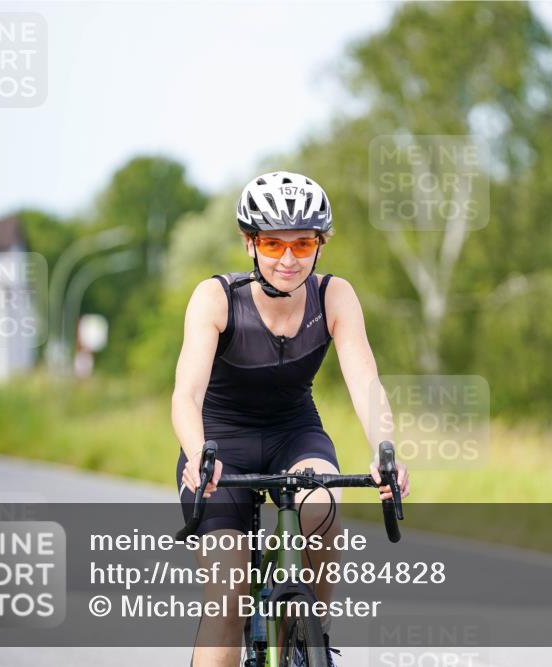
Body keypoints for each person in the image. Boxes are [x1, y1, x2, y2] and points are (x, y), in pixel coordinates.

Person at [171, 171, 410, 666]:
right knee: (228, 600)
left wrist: (385, 452)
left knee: (321, 505)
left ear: (319, 245)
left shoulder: (334, 296)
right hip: (219, 445)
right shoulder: (216, 298)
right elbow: (186, 394)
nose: (288, 259)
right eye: (272, 244)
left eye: (302, 244)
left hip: (294, 433)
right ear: (249, 244)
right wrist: (198, 453)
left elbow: (366, 382)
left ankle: (312, 630)